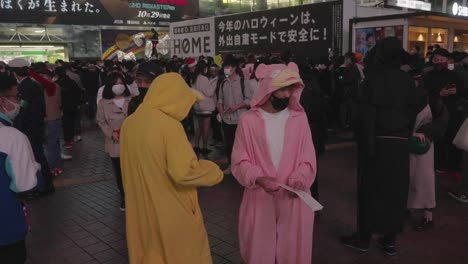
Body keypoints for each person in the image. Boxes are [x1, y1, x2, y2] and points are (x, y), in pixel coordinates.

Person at [120, 73, 223, 263]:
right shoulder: (169, 126)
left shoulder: (129, 123)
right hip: (172, 211)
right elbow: (183, 173)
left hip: (141, 210)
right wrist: (213, 171)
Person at [341, 37, 419, 256]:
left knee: (369, 192)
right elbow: (413, 113)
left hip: (375, 144)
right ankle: (390, 240)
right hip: (400, 145)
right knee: (395, 193)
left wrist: (366, 144)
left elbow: (364, 117)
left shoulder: (372, 80)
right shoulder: (407, 81)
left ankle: (363, 238)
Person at [231, 62, 316, 264]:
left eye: (291, 88)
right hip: (259, 199)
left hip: (294, 198)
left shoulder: (299, 118)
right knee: (259, 251)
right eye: (282, 88)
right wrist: (258, 177)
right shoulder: (248, 120)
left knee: (294, 251)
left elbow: (307, 157)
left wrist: (300, 177)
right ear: (268, 89)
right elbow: (239, 159)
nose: (288, 94)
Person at [0, 74, 39, 264]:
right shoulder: (12, 137)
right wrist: (36, 170)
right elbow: (26, 184)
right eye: (16, 97)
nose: (20, 102)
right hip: (7, 225)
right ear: (2, 101)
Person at [8, 58, 55, 197]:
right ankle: (44, 185)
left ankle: (45, 186)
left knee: (37, 156)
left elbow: (22, 109)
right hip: (34, 127)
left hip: (31, 129)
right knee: (36, 155)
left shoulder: (26, 87)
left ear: (15, 72)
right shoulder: (30, 84)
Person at [422, 48, 465, 177]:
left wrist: (455, 92)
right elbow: (424, 94)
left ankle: (453, 166)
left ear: (447, 60)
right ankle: (438, 164)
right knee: (438, 139)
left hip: (452, 112)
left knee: (451, 138)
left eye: (442, 59)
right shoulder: (428, 76)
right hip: (435, 112)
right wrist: (439, 94)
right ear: (432, 61)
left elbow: (462, 92)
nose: (439, 62)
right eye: (437, 60)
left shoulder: (454, 75)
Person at [96, 74, 131, 211]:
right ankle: (124, 197)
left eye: (121, 82)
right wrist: (111, 134)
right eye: (116, 83)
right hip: (115, 142)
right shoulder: (103, 103)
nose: (119, 86)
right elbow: (101, 121)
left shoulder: (131, 100)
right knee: (120, 171)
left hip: (132, 142)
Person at [218, 56, 253, 174]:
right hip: (227, 120)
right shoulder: (223, 83)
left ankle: (243, 167)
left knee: (242, 145)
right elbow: (220, 100)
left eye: (227, 67)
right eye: (224, 67)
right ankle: (231, 166)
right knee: (229, 144)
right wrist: (221, 113)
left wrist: (237, 106)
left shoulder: (243, 82)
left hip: (240, 119)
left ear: (233, 68)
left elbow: (249, 100)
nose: (225, 69)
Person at [191, 61, 217, 156]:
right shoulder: (204, 78)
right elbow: (209, 92)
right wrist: (214, 84)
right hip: (205, 107)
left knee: (199, 127)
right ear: (204, 68)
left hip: (197, 106)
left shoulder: (194, 79)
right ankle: (205, 147)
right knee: (206, 128)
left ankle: (196, 145)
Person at [55, 67, 82, 149]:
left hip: (64, 107)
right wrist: (78, 103)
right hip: (73, 106)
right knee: (71, 123)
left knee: (66, 124)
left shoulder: (58, 83)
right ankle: (71, 139)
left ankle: (68, 141)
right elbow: (78, 92)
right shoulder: (71, 81)